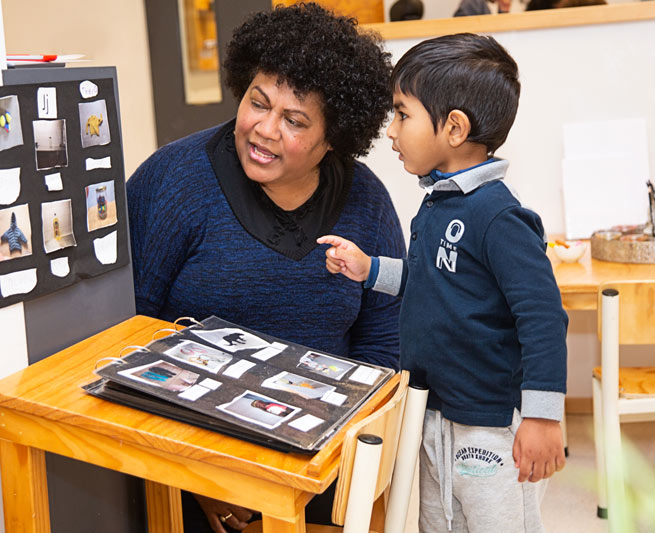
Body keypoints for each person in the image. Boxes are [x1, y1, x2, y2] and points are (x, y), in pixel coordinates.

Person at [126, 4, 405, 532]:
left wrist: (335, 471)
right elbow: (128, 334)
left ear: (333, 139)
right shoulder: (172, 181)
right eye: (258, 102)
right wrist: (205, 476)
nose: (264, 129)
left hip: (324, 458)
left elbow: (382, 349)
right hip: (187, 456)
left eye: (295, 121)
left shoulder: (366, 201)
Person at [318, 33, 568, 532]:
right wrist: (370, 270)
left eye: (402, 114)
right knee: (440, 524)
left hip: (490, 421)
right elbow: (433, 282)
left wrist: (542, 418)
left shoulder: (499, 216)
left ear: (453, 127)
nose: (391, 131)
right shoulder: (438, 202)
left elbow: (543, 317)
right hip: (436, 410)